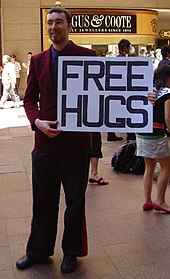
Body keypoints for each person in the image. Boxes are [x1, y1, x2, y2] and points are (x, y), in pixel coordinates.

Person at [16, 7, 96, 273]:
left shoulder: (88, 57)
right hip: (45, 145)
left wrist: (145, 97)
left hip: (77, 145)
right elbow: (29, 100)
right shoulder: (38, 61)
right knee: (43, 200)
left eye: (59, 22)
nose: (53, 27)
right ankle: (38, 250)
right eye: (49, 23)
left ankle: (71, 252)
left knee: (75, 202)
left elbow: (109, 94)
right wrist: (37, 121)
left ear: (69, 26)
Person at [136, 64, 170, 213]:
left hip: (142, 132)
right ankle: (161, 201)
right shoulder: (167, 93)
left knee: (149, 168)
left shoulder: (149, 90)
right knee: (166, 167)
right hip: (157, 132)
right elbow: (168, 117)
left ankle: (147, 201)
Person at [107, 39, 135, 141]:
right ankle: (130, 134)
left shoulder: (115, 59)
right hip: (123, 89)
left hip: (114, 88)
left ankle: (111, 134)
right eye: (129, 47)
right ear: (125, 48)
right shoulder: (125, 60)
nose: (130, 50)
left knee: (114, 112)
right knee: (127, 111)